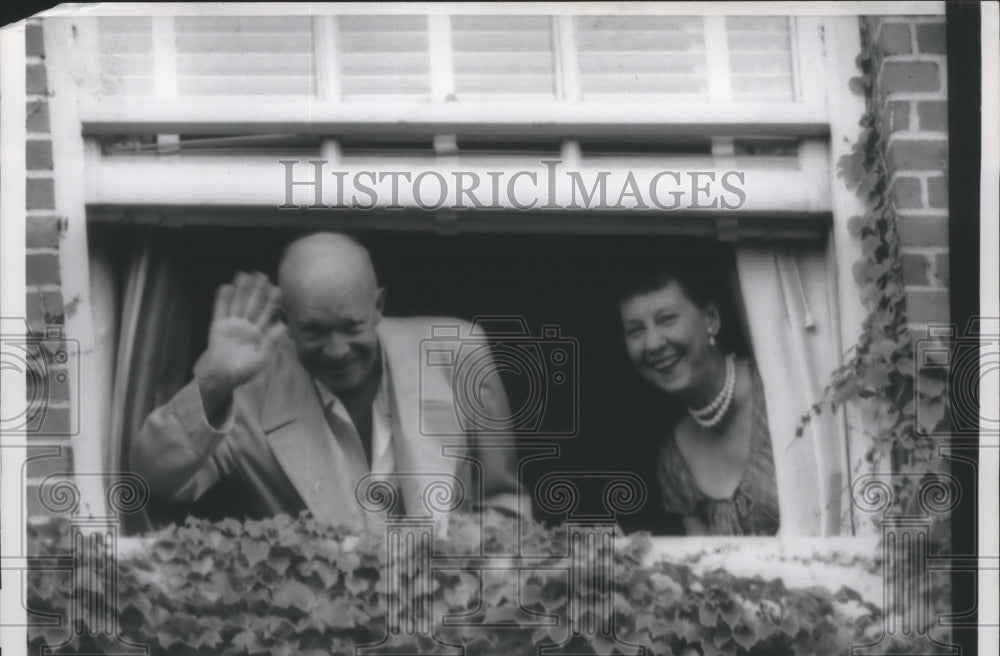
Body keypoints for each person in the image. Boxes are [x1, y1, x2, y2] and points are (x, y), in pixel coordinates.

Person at [131, 232, 524, 529]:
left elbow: (506, 504)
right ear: (286, 323)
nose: (337, 351)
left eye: (351, 327)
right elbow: (157, 478)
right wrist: (213, 382)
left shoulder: (458, 354)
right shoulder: (247, 392)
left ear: (378, 307)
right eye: (314, 331)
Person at [615, 265, 779, 535]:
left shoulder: (777, 391)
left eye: (666, 319)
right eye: (635, 331)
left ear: (711, 318)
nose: (653, 344)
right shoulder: (674, 461)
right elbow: (703, 571)